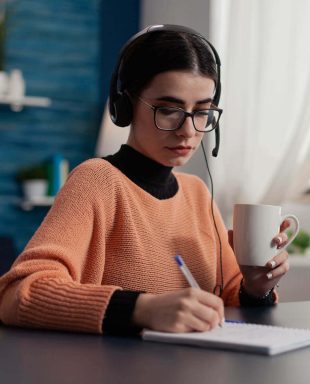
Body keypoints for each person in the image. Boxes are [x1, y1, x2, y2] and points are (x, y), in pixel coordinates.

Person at [0, 25, 291, 335]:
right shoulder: (96, 181)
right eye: (169, 110)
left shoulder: (197, 193)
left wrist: (255, 287)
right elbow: (18, 293)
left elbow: (230, 299)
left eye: (202, 111)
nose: (189, 131)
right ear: (126, 106)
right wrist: (142, 309)